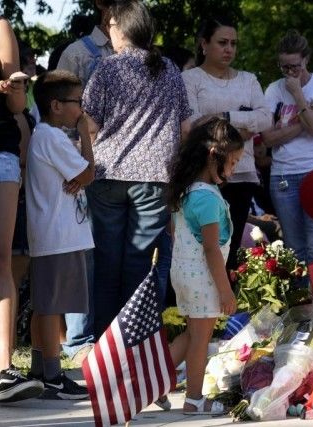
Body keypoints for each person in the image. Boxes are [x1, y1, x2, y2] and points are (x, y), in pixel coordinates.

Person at [82, 0, 191, 337]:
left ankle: (105, 340)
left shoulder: (107, 68)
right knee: (140, 264)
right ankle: (133, 341)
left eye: (110, 26)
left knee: (106, 261)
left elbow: (89, 124)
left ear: (121, 28)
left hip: (107, 175)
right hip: (155, 179)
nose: (108, 31)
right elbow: (186, 128)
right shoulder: (170, 69)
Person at [181, 18, 271, 271]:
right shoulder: (189, 79)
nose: (229, 49)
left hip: (241, 174)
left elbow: (266, 119)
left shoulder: (249, 80)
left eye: (233, 43)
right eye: (222, 42)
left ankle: (227, 297)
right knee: (201, 249)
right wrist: (241, 129)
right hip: (203, 175)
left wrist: (225, 116)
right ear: (204, 44)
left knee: (231, 251)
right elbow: (193, 126)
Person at [165, 117, 241, 414]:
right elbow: (211, 249)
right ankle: (194, 399)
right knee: (201, 338)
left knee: (191, 334)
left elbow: (176, 233)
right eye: (232, 162)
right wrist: (225, 290)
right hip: (204, 278)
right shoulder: (207, 198)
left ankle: (153, 383)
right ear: (213, 156)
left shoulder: (187, 192)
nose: (233, 169)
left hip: (184, 273)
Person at [26, 70, 94, 399]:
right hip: (58, 236)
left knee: (46, 305)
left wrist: (79, 175)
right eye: (77, 102)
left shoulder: (45, 136)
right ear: (56, 105)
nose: (81, 109)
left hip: (55, 234)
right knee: (52, 307)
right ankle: (53, 377)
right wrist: (85, 135)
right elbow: (88, 173)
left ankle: (41, 370)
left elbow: (80, 176)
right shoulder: (52, 137)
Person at [56, 0, 115, 364]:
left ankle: (110, 335)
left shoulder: (139, 57)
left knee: (113, 254)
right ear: (103, 7)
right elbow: (57, 114)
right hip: (84, 170)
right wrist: (73, 168)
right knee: (83, 253)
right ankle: (78, 340)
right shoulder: (77, 54)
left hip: (123, 169)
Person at [261, 30, 313, 266]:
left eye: (295, 66)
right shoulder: (273, 90)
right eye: (284, 68)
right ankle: (300, 292)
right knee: (294, 250)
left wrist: (297, 94)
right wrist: (306, 117)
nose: (290, 73)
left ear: (306, 60)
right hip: (284, 174)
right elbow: (267, 139)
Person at [0, 15, 44, 403]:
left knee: (2, 260)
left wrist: (14, 87)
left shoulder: (0, 25)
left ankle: (3, 368)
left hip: (1, 153)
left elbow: (16, 104)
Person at [56, 0, 115, 86]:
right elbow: (60, 93)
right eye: (123, 3)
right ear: (100, 2)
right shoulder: (75, 54)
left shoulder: (135, 50)